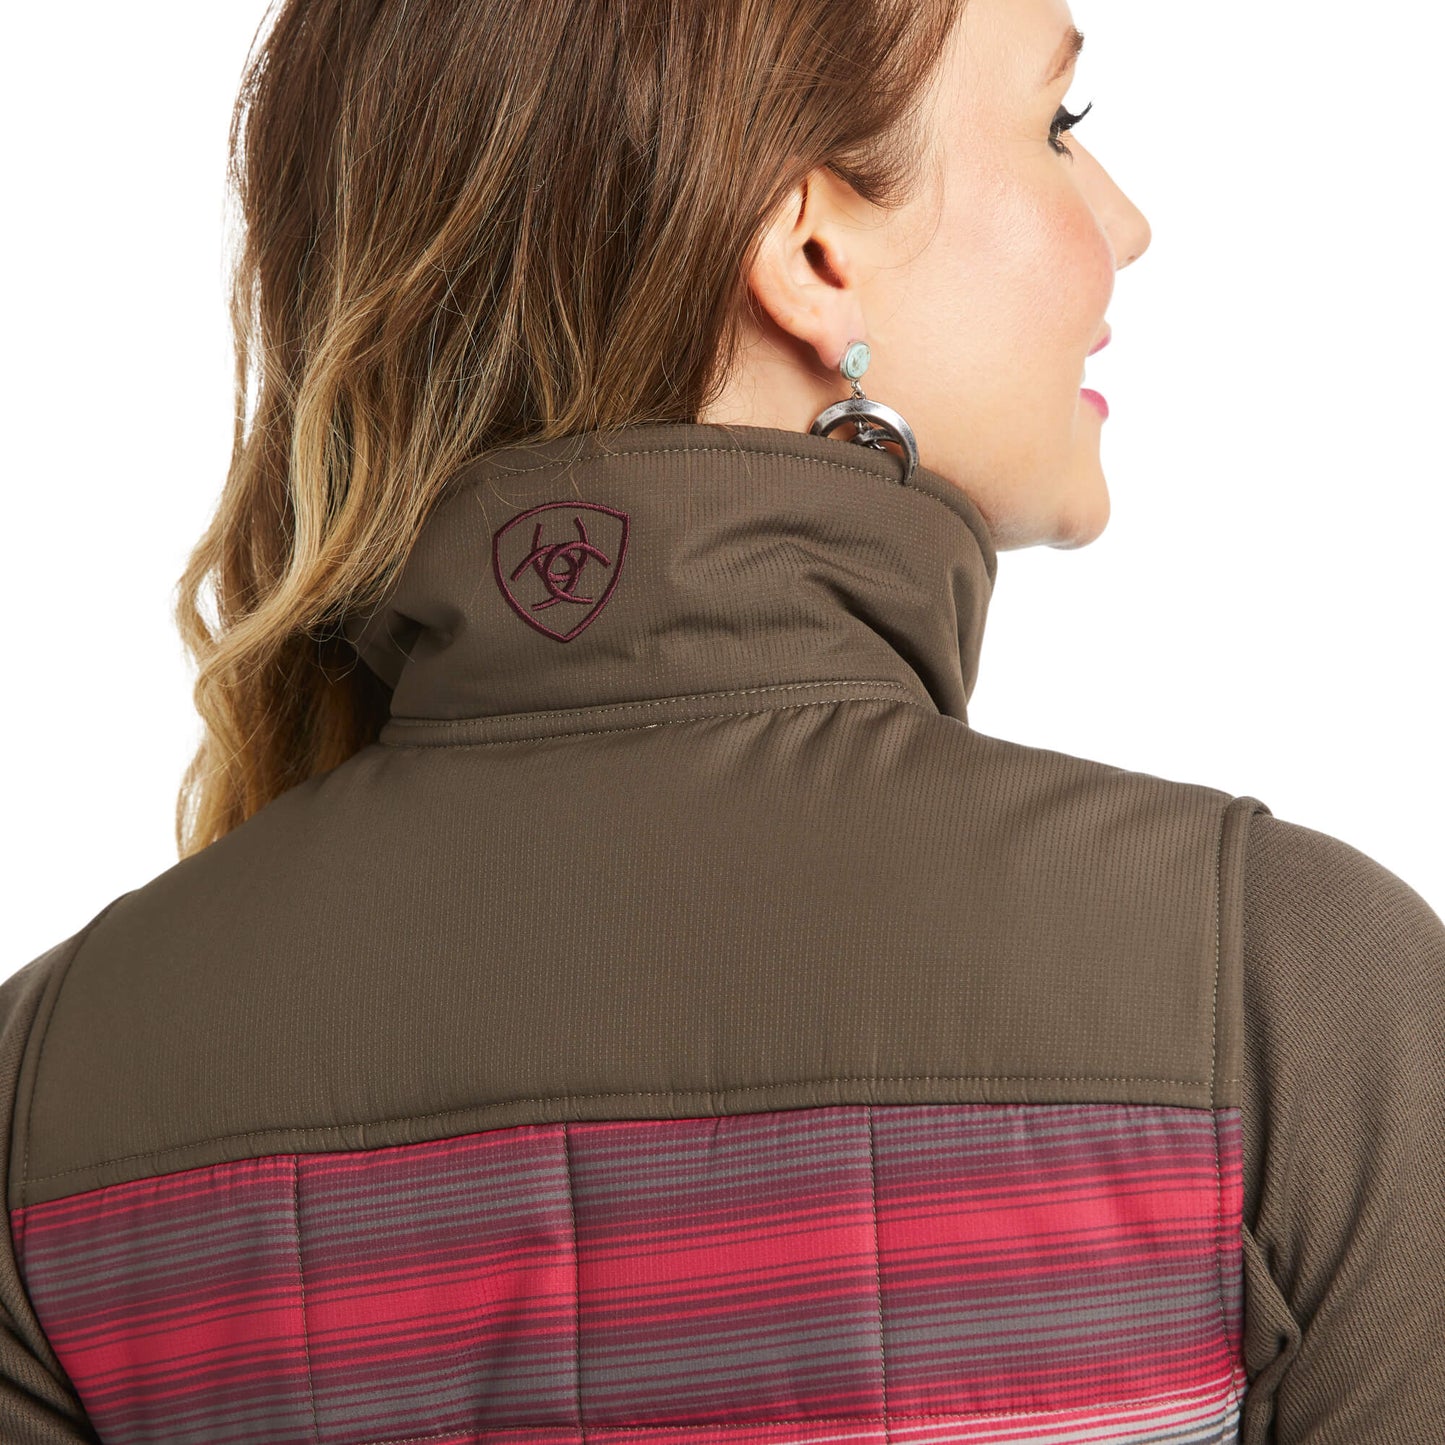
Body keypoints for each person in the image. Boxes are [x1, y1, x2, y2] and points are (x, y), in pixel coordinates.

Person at [3, 0, 1441, 1441]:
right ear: (812, 256)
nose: (1125, 224)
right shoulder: (1283, 998)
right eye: (1058, 127)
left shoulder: (44, 1095)